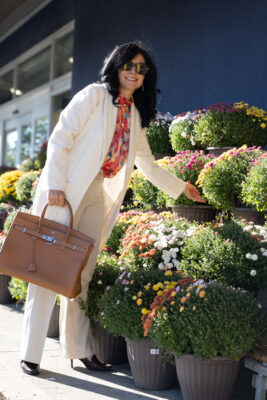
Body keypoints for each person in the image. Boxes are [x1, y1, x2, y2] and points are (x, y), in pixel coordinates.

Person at [20, 42, 205, 376]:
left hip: (97, 195)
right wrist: (56, 187)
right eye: (129, 66)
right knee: (48, 271)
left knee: (82, 273)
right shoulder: (93, 96)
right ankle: (31, 354)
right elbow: (62, 138)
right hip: (65, 192)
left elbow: (147, 165)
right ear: (116, 66)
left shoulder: (135, 115)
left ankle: (79, 350)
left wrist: (182, 188)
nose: (134, 73)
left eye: (141, 69)